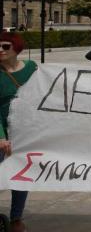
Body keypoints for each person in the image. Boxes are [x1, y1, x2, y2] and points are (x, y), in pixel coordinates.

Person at [0, 32, 37, 232]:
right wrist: (1, 137)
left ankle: (16, 218)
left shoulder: (32, 68)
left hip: (26, 133)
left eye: (5, 46)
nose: (1, 50)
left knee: (21, 176)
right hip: (3, 133)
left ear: (16, 47)